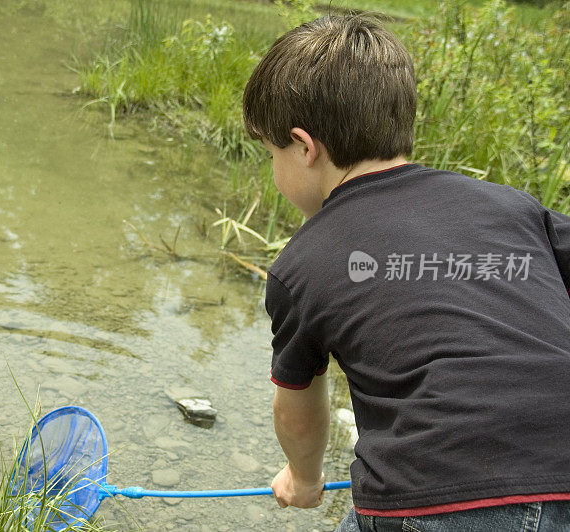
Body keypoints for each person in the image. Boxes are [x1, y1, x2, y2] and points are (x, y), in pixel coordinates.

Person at [241, 14, 570, 532]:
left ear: (305, 148)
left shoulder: (302, 264)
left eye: (271, 154)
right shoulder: (513, 207)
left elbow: (296, 411)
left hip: (437, 495)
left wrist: (303, 479)